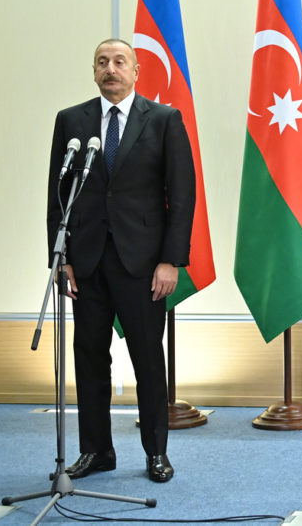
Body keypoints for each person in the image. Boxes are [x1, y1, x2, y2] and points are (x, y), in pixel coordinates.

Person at [46, 38, 195, 483]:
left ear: (136, 71)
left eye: (119, 62)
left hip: (144, 264)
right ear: (94, 71)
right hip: (87, 263)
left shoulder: (164, 120)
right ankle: (96, 451)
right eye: (102, 62)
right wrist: (62, 257)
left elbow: (182, 197)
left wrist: (171, 261)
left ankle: (156, 453)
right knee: (89, 358)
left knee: (147, 360)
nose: (110, 69)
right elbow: (57, 199)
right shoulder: (71, 121)